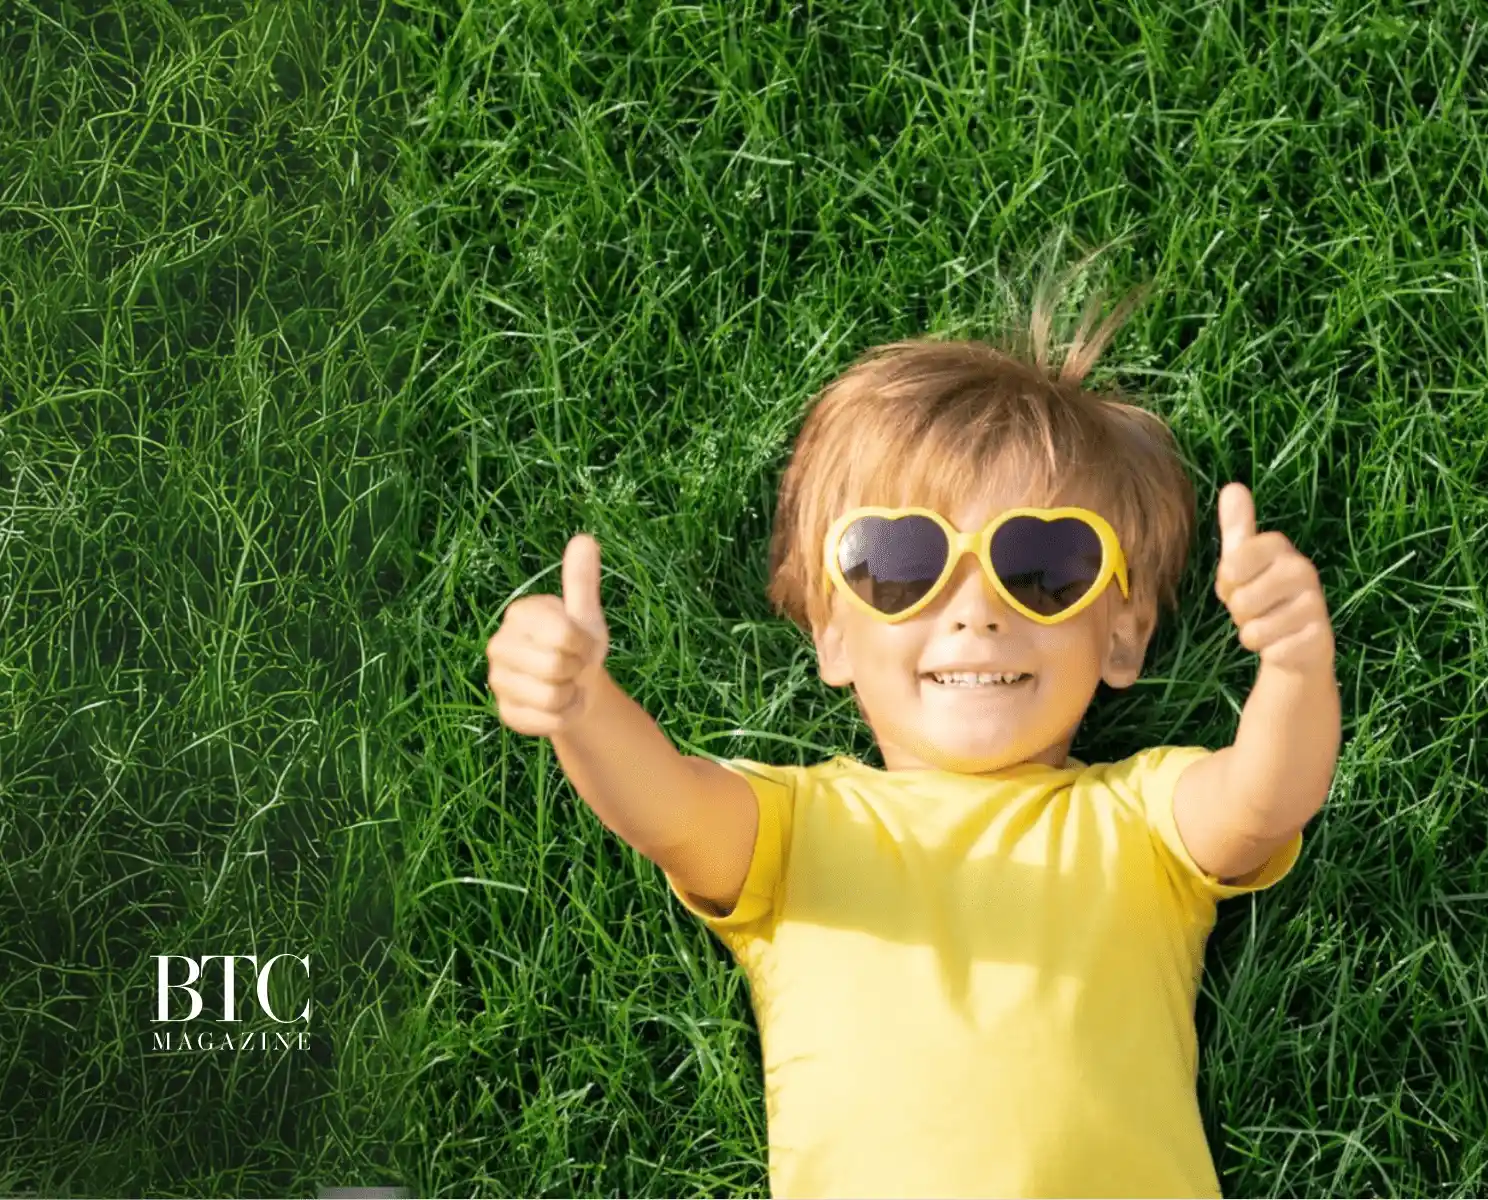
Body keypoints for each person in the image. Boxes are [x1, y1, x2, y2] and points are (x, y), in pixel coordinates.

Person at [484, 271, 1343, 1199]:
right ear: (832, 634)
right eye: (899, 563)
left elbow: (1266, 799)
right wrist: (584, 709)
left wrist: (1296, 665)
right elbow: (663, 808)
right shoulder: (796, 830)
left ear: (1123, 633)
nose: (975, 611)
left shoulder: (1140, 818)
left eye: (1042, 565)